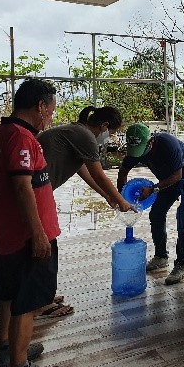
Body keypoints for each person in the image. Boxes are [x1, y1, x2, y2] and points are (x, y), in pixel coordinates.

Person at [0, 78, 62, 367]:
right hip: (28, 236)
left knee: (9, 294)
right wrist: (39, 233)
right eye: (51, 111)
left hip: (7, 234)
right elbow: (21, 187)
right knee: (28, 303)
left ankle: (8, 351)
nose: (51, 117)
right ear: (40, 106)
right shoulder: (21, 138)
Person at [35, 105, 135, 316]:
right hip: (35, 194)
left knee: (46, 244)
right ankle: (41, 303)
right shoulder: (86, 136)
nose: (111, 137)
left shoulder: (76, 132)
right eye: (112, 132)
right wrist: (122, 202)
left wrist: (107, 196)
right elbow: (99, 174)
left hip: (39, 192)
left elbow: (83, 171)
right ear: (105, 126)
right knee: (44, 246)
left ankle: (42, 294)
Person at [116, 123, 184, 285]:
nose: (138, 154)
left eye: (142, 149)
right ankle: (161, 256)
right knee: (156, 213)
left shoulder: (167, 143)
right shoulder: (136, 149)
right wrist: (121, 198)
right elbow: (122, 173)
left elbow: (177, 175)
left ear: (150, 142)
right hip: (167, 180)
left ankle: (181, 265)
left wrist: (152, 189)